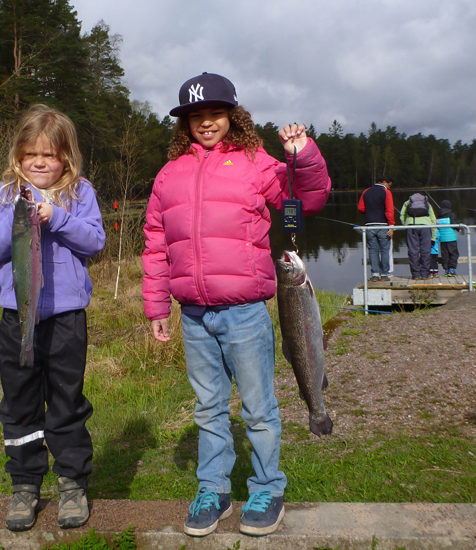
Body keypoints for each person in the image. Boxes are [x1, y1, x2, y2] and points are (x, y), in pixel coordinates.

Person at [142, 72, 331, 538]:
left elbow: (305, 200)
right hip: (192, 314)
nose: (206, 123)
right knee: (207, 409)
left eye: (215, 114)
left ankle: (267, 487)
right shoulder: (169, 174)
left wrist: (302, 155)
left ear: (232, 116)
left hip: (245, 312)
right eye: (195, 117)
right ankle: (214, 490)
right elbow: (155, 244)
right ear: (184, 123)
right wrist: (156, 306)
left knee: (258, 408)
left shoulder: (255, 162)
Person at [0, 104, 106, 531]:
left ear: (66, 158)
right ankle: (24, 485)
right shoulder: (5, 195)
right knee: (20, 403)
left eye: (49, 155)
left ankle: (72, 483)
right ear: (18, 156)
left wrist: (57, 217)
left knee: (67, 402)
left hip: (67, 320)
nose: (39, 162)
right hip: (18, 319)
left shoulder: (80, 193)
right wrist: (21, 213)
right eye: (31, 153)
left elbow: (94, 241)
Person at [357, 175, 395, 281]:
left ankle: (374, 274)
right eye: (389, 184)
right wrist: (391, 225)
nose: (389, 187)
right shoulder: (386, 193)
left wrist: (369, 213)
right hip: (382, 225)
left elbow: (360, 208)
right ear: (384, 182)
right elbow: (389, 210)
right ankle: (384, 275)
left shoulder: (366, 192)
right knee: (384, 250)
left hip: (369, 225)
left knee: (373, 250)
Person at [400, 192, 437, 279]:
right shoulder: (426, 203)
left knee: (413, 251)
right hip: (425, 227)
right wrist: (433, 236)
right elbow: (433, 219)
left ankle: (416, 274)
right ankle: (424, 274)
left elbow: (402, 215)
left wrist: (406, 224)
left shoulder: (407, 202)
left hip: (411, 226)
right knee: (425, 251)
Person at [436, 199, 460, 277]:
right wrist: (458, 229)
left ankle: (446, 269)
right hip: (451, 238)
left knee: (444, 254)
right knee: (453, 253)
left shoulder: (438, 215)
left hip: (442, 239)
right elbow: (454, 223)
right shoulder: (451, 214)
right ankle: (452, 269)